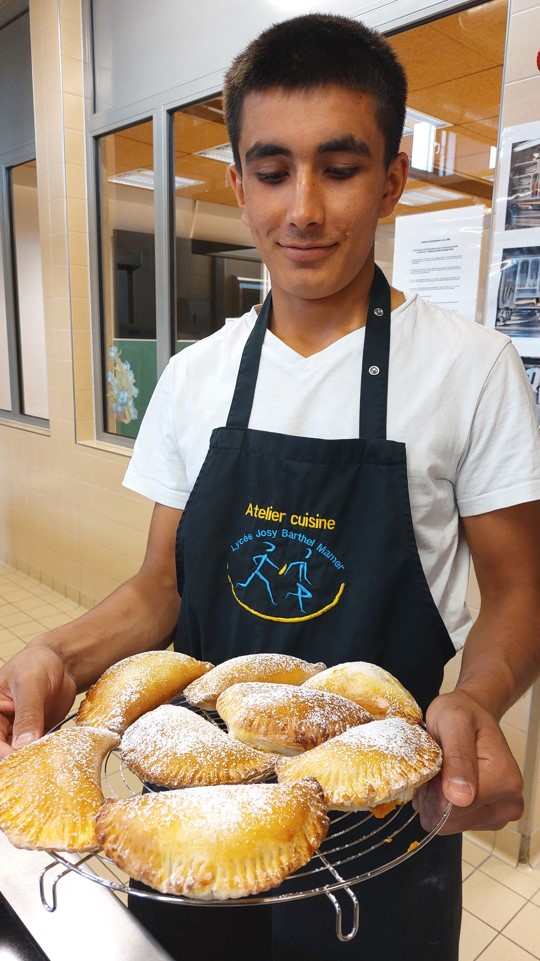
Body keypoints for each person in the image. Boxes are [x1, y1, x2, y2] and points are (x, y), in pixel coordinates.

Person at [1, 11, 540, 961]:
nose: (304, 210)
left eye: (340, 167)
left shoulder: (471, 369)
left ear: (392, 179)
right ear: (240, 182)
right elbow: (160, 587)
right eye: (273, 170)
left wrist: (480, 698)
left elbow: (520, 585)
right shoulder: (194, 377)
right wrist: (57, 650)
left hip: (385, 807)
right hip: (197, 801)